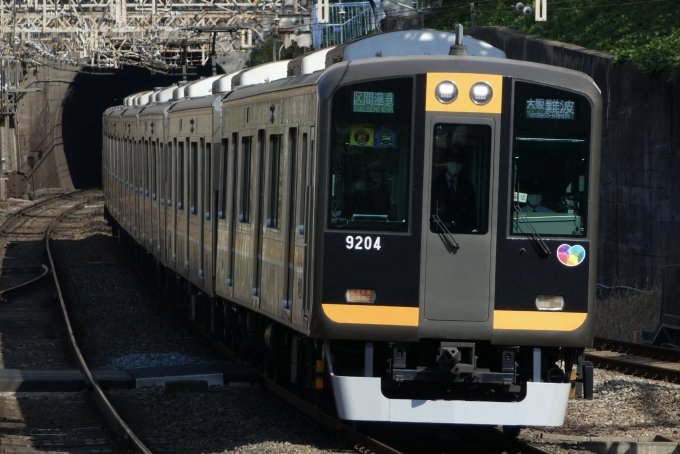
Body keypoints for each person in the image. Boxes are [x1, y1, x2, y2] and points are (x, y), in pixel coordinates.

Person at [431, 146, 477, 232]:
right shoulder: (435, 185)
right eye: (452, 161)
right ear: (446, 163)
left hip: (462, 234)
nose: (455, 164)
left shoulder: (468, 187)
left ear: (462, 165)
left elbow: (471, 214)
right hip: (439, 232)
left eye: (458, 162)